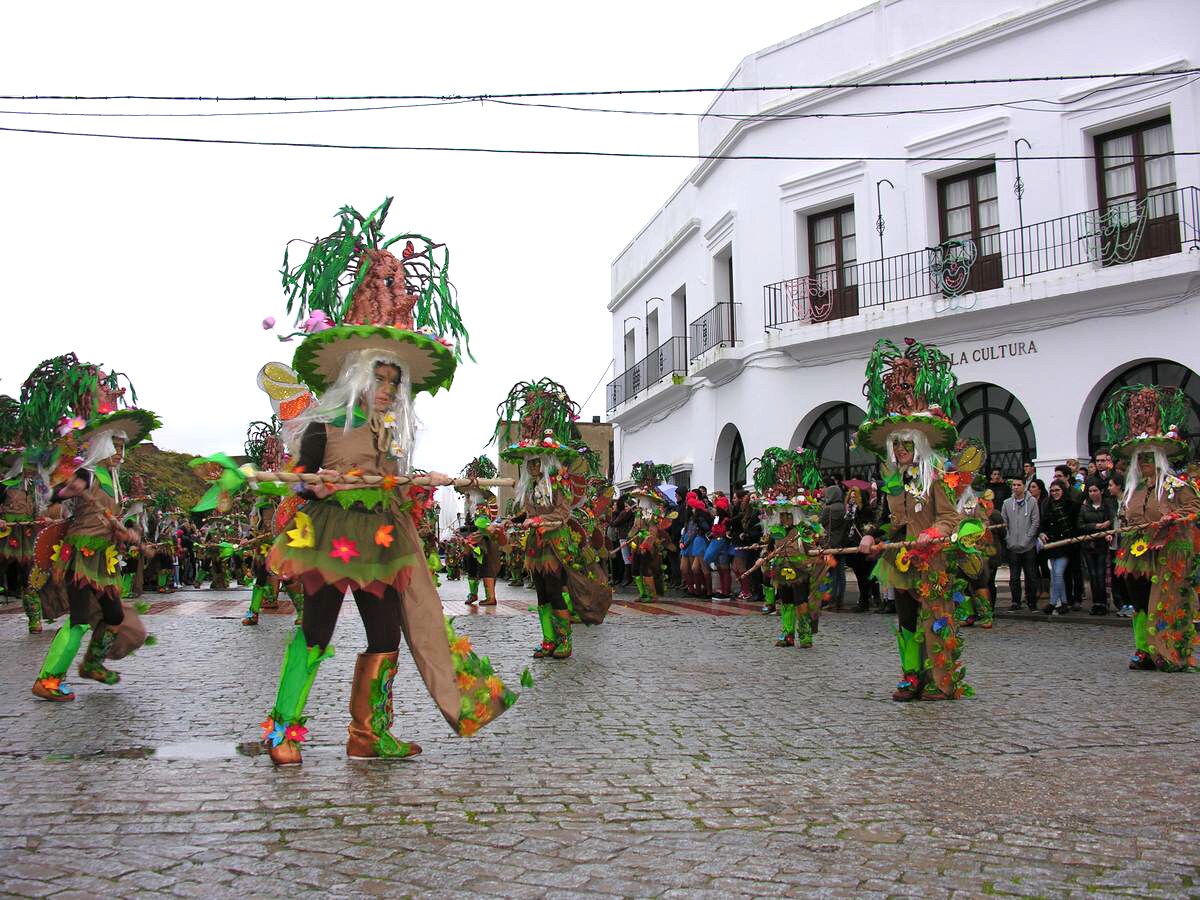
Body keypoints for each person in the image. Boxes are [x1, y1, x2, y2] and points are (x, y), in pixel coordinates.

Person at [257, 201, 515, 765]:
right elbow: (299, 479)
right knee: (317, 632)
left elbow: (392, 484)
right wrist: (314, 486)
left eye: (394, 379)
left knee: (385, 636)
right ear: (358, 375)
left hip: (379, 540)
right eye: (380, 375)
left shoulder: (394, 437)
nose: (387, 385)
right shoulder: (326, 422)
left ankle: (367, 735)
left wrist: (423, 481)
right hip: (330, 535)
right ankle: (283, 734)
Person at [855, 338, 972, 701]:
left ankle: (942, 680)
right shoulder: (892, 480)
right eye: (896, 446)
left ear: (918, 445)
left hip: (931, 558)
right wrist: (871, 537)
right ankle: (911, 675)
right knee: (905, 618)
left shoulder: (936, 475)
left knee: (935, 617)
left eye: (907, 445)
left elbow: (952, 517)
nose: (901, 451)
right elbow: (887, 520)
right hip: (900, 560)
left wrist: (935, 532)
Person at [33, 400, 162, 700]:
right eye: (114, 446)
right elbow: (53, 496)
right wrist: (67, 491)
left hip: (102, 561)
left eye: (122, 447)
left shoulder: (113, 481)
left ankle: (92, 663)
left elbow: (109, 521)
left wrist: (126, 533)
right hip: (80, 558)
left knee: (114, 615)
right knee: (78, 621)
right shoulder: (88, 474)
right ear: (102, 446)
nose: (119, 453)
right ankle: (48, 678)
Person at [494, 377, 613, 659]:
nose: (532, 466)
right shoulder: (531, 487)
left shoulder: (557, 484)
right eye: (529, 462)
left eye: (537, 462)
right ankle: (548, 640)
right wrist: (517, 519)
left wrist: (540, 522)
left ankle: (564, 641)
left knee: (555, 589)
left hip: (556, 544)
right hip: (536, 544)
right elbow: (528, 511)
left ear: (545, 463)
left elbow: (563, 512)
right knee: (541, 593)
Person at [1101, 385, 1200, 671]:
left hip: (1167, 552)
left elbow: (1194, 509)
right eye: (1140, 459)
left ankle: (1168, 650)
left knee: (1163, 600)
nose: (1144, 464)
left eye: (1149, 458)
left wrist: (1169, 519)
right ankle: (1143, 649)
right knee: (1139, 601)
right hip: (1136, 551)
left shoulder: (1176, 486)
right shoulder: (1133, 490)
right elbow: (1126, 517)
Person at [745, 448, 830, 648]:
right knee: (786, 600)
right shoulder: (776, 531)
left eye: (787, 514)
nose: (784, 517)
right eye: (781, 513)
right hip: (781, 567)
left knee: (801, 600)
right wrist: (765, 555)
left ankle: (805, 634)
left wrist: (816, 553)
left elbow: (812, 546)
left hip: (800, 568)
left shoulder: (803, 530)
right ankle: (787, 632)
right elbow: (770, 546)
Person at [455, 456, 504, 607]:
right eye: (466, 495)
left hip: (485, 538)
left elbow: (486, 520)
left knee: (487, 566)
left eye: (469, 494)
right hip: (472, 536)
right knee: (471, 565)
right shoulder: (470, 503)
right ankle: (473, 594)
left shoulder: (485, 499)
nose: (467, 497)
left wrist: (482, 529)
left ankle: (491, 597)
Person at [624, 462, 675, 603]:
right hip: (637, 544)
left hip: (649, 545)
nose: (640, 501)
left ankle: (652, 594)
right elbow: (635, 527)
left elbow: (653, 531)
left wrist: (647, 543)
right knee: (635, 569)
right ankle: (642, 594)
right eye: (639, 499)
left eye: (642, 499)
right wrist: (631, 537)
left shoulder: (654, 515)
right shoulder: (639, 513)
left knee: (646, 569)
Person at [1038, 480, 1077, 615]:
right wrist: (1042, 533)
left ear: (1063, 491)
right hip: (1052, 543)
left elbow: (1074, 524)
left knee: (1059, 572)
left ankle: (1054, 602)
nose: (1054, 493)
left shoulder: (1070, 505)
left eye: (1057, 490)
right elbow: (1043, 523)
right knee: (1055, 574)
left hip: (1065, 543)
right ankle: (1063, 602)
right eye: (1052, 491)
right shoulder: (1048, 505)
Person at [1001, 478, 1040, 611]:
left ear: (1024, 486)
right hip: (1013, 545)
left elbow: (1035, 522)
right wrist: (1008, 538)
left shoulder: (1032, 502)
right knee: (1014, 576)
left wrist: (1028, 538)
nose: (1016, 487)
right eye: (1014, 485)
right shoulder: (1006, 503)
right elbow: (1004, 523)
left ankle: (1032, 601)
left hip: (1028, 546)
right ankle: (1015, 601)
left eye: (1019, 485)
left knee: (1031, 575)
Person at [1077, 479, 1114, 615]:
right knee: (1092, 574)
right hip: (1088, 544)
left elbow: (1111, 521)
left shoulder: (1106, 505)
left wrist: (1108, 531)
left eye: (1095, 490)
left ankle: (1103, 602)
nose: (1092, 493)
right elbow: (1080, 525)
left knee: (1101, 573)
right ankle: (1096, 603)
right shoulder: (1085, 506)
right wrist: (1096, 526)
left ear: (1101, 491)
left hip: (1102, 544)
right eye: (1090, 491)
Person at [819, 484, 849, 610]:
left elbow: (821, 522)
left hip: (830, 544)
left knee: (830, 573)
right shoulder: (844, 507)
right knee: (841, 573)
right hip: (842, 543)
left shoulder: (828, 509)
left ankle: (830, 600)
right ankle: (840, 600)